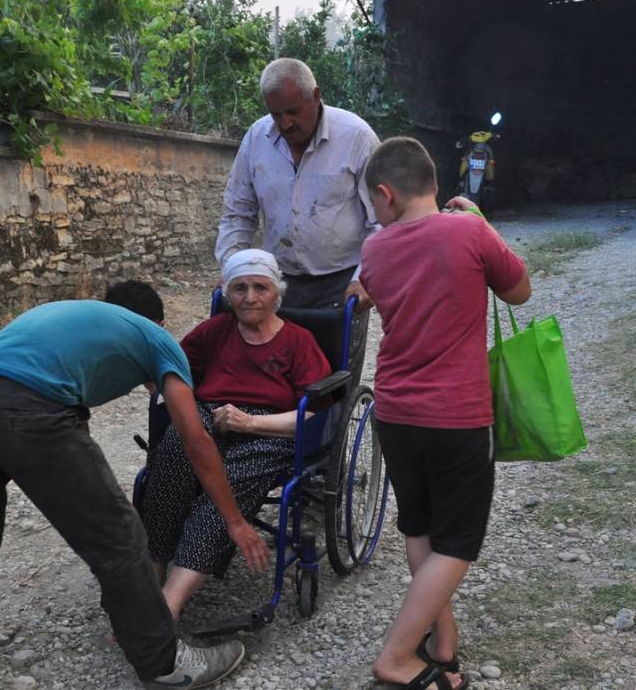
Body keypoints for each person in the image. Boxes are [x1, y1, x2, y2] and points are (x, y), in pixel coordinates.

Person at [0, 281, 268, 690]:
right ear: (158, 321)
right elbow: (196, 441)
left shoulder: (70, 313)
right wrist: (234, 520)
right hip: (27, 408)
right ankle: (167, 665)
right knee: (120, 540)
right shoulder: (157, 339)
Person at [359, 138, 531, 690]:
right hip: (456, 417)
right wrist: (483, 222)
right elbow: (519, 291)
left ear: (386, 194)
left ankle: (443, 642)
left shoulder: (374, 251)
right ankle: (396, 655)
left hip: (395, 413)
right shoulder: (469, 231)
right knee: (457, 543)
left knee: (420, 526)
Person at [141, 250, 331, 620]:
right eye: (239, 288)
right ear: (228, 293)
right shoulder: (214, 331)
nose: (249, 297)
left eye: (260, 287)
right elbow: (172, 370)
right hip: (208, 414)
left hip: (269, 427)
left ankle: (169, 603)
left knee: (228, 484)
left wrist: (251, 423)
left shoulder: (299, 342)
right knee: (170, 461)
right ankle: (150, 577)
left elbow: (315, 413)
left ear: (277, 292)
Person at [215, 57, 380, 312]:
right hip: (275, 279)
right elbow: (238, 212)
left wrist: (365, 277)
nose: (285, 124)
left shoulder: (356, 137)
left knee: (335, 353)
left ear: (316, 96)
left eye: (293, 112)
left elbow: (381, 220)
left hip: (342, 283)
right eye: (276, 114)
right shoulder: (257, 138)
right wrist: (232, 267)